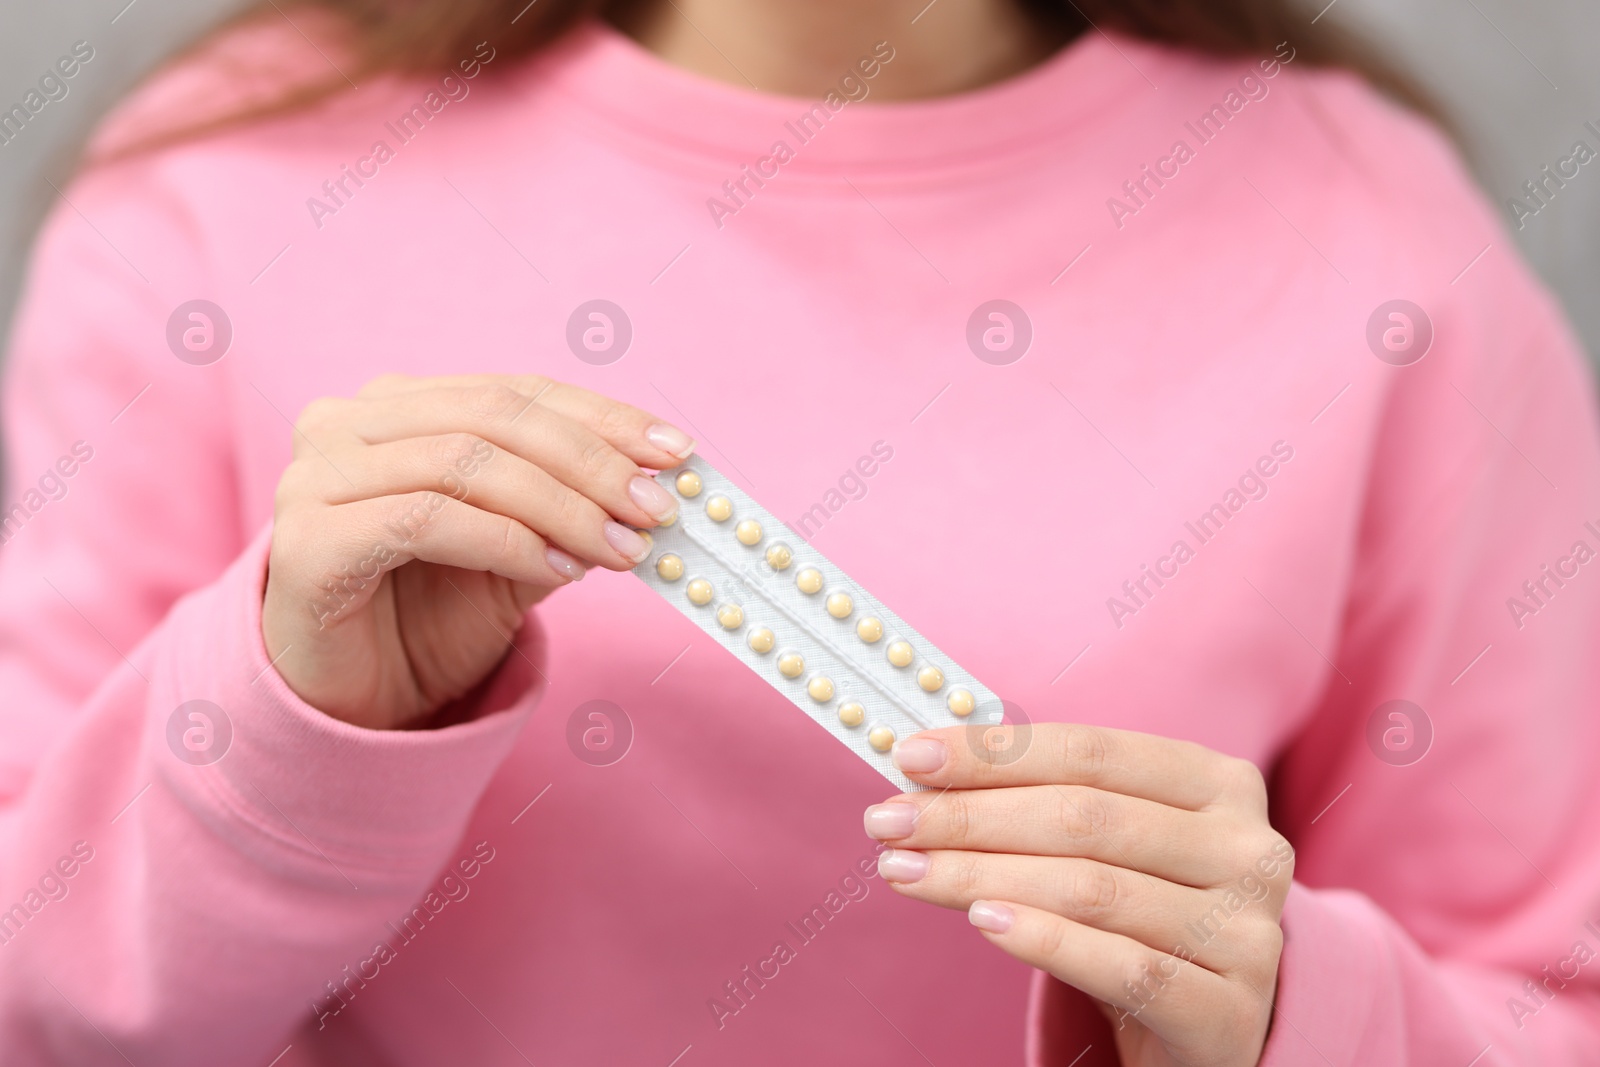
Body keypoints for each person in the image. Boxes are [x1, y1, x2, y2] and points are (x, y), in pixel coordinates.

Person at [2, 0, 1598, 1063]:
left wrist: (1288, 1018)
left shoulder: (1379, 243)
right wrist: (292, 726)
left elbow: (1547, 996)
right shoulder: (228, 183)